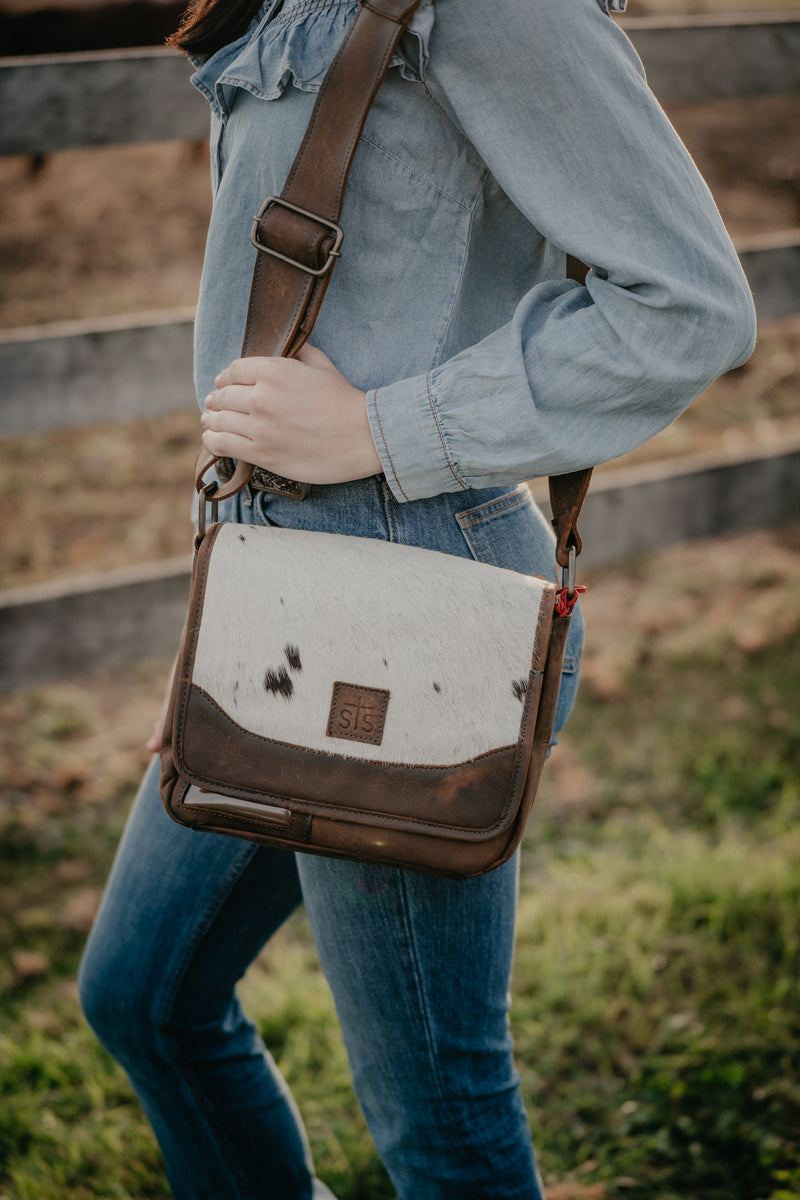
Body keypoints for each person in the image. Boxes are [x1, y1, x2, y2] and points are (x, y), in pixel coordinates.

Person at [78, 0, 756, 1196]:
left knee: (440, 1127)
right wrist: (223, 625)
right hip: (276, 590)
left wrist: (382, 429)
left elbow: (689, 306)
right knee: (144, 997)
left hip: (409, 621)